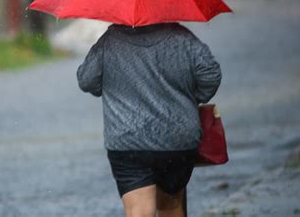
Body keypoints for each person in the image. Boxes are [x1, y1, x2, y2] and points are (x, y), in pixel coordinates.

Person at [77, 22, 222, 217]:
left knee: (139, 211)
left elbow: (87, 80)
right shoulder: (183, 37)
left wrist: (111, 87)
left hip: (128, 141)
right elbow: (211, 74)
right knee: (170, 208)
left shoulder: (110, 40)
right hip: (177, 139)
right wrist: (191, 98)